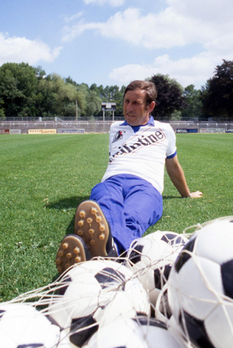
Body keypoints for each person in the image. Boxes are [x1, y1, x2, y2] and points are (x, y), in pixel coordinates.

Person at [55, 80, 203, 274]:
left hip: (146, 185)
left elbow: (173, 166)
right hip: (112, 181)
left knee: (133, 214)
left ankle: (101, 250)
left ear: (150, 106)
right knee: (105, 204)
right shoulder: (115, 128)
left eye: (135, 103)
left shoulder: (164, 130)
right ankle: (112, 252)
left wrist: (186, 193)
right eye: (126, 101)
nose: (128, 108)